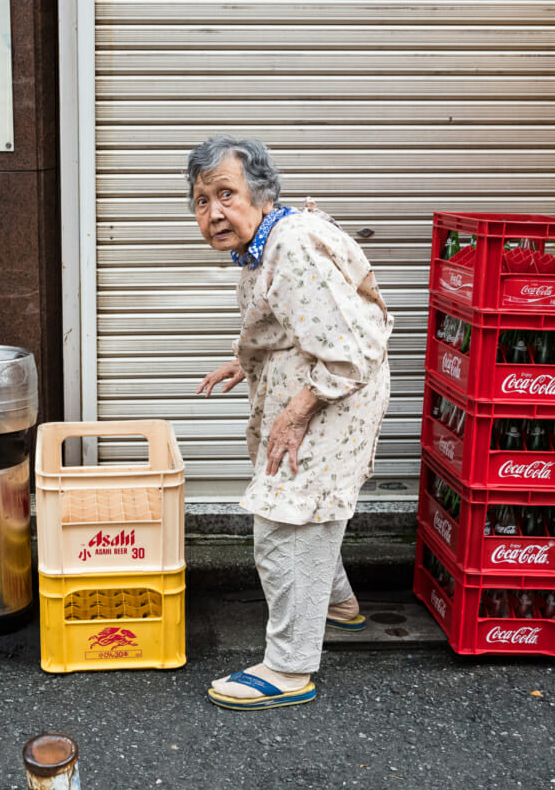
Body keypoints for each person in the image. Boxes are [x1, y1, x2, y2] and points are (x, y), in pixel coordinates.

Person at [189, 135, 393, 710]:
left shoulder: (292, 246)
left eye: (226, 194)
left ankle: (289, 667)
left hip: (332, 396)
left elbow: (349, 350)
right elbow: (299, 317)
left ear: (259, 193)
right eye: (202, 202)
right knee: (311, 507)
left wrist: (296, 415)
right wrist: (248, 357)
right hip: (321, 387)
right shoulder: (269, 241)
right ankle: (338, 604)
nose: (214, 213)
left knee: (286, 521)